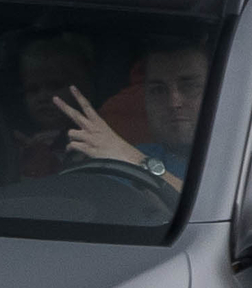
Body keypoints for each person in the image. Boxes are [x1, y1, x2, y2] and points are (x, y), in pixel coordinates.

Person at [53, 38, 209, 189]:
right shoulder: (129, 155)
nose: (174, 102)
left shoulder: (231, 162)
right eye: (158, 90)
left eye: (189, 86)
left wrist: (134, 160)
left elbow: (209, 208)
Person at [6, 31, 99, 180]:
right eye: (33, 89)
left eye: (55, 86)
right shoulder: (13, 143)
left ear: (82, 89)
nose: (43, 97)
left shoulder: (93, 141)